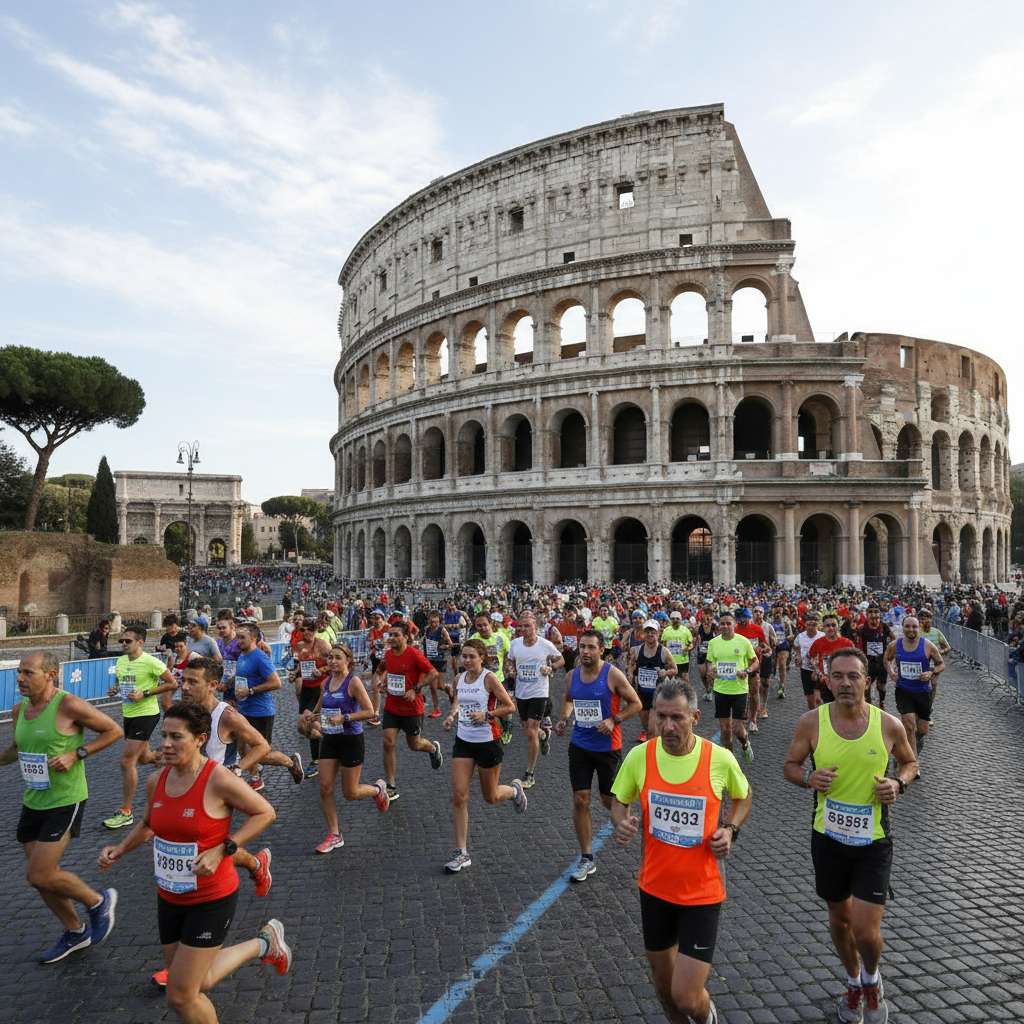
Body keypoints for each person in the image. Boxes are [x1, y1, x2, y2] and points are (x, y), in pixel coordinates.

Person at [98, 702, 292, 1022]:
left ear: (200, 739)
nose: (166, 744)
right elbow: (148, 824)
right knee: (195, 981)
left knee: (181, 995)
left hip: (211, 897)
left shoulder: (218, 780)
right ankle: (264, 943)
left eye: (177, 737)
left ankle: (264, 944)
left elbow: (265, 812)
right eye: (163, 736)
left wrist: (223, 849)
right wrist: (120, 848)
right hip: (170, 896)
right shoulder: (156, 780)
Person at [783, 647, 918, 1024]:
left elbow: (910, 763)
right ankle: (853, 981)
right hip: (827, 838)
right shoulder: (811, 722)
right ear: (827, 680)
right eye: (837, 676)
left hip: (873, 840)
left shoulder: (888, 724)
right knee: (840, 921)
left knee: (864, 927)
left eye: (853, 676)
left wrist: (898, 783)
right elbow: (789, 766)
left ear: (868, 681)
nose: (845, 683)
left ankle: (873, 980)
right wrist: (808, 778)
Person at [611, 679, 752, 1024]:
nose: (668, 726)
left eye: (677, 718)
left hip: (702, 895)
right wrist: (622, 821)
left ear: (696, 717)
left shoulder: (719, 758)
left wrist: (731, 829)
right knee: (664, 991)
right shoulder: (640, 756)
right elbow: (619, 799)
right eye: (661, 717)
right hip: (655, 889)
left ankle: (707, 1017)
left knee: (687, 997)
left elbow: (744, 795)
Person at [1, 651, 121, 963]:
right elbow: (16, 749)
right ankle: (75, 930)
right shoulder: (20, 710)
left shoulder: (68, 705)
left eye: (28, 672)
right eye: (19, 672)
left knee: (38, 874)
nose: (20, 678)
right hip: (33, 800)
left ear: (50, 674)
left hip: (65, 800)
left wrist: (76, 754)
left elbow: (113, 730)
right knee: (41, 876)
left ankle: (97, 901)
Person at [554, 630, 641, 882]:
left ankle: (630, 828)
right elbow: (569, 699)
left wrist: (615, 720)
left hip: (607, 749)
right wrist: (563, 719)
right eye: (582, 647)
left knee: (608, 801)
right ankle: (586, 857)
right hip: (579, 746)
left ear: (601, 650)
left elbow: (636, 704)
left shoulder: (612, 674)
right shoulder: (572, 675)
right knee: (580, 800)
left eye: (591, 647)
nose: (585, 652)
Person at [441, 638, 527, 873]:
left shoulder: (488, 678)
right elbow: (459, 700)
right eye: (464, 656)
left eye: (471, 656)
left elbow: (510, 706)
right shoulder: (459, 678)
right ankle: (461, 852)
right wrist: (451, 715)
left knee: (490, 796)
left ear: (482, 658)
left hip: (488, 742)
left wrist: (488, 715)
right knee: (459, 796)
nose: (467, 660)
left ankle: (514, 790)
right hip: (463, 742)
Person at [298, 643, 390, 853]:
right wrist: (312, 714)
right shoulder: (327, 681)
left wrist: (345, 717)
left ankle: (378, 789)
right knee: (325, 787)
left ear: (348, 660)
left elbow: (370, 712)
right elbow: (323, 703)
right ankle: (334, 834)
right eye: (330, 658)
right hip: (330, 739)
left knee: (350, 792)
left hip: (351, 739)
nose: (332, 661)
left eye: (337, 658)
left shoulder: (353, 682)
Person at [103, 624, 179, 829]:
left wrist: (145, 693)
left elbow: (172, 684)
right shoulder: (120, 661)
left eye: (128, 641)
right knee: (145, 758)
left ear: (140, 642)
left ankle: (126, 811)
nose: (123, 644)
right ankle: (163, 759)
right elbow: (123, 681)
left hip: (146, 714)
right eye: (121, 641)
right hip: (128, 714)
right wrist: (115, 689)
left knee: (127, 761)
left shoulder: (151, 662)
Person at [372, 620, 444, 802]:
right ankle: (391, 785)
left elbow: (433, 673)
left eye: (397, 635)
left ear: (405, 637)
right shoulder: (388, 655)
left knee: (415, 745)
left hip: (412, 709)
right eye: (391, 635)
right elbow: (381, 669)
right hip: (392, 707)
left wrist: (416, 689)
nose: (392, 638)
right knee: (388, 743)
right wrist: (380, 681)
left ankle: (433, 748)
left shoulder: (414, 654)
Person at [225, 623, 302, 791]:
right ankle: (255, 778)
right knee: (242, 748)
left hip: (260, 712)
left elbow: (276, 682)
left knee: (261, 753)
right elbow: (242, 675)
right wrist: (228, 684)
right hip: (244, 709)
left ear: (253, 638)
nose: (238, 641)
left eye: (242, 637)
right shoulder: (243, 655)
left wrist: (251, 691)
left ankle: (290, 762)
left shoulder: (260, 657)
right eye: (237, 637)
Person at [506, 611, 563, 788]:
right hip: (521, 692)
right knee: (527, 730)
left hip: (539, 692)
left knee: (531, 731)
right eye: (521, 626)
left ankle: (529, 774)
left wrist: (551, 667)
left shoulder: (545, 645)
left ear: (535, 627)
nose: (523, 629)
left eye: (527, 626)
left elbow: (560, 660)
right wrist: (511, 670)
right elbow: (509, 661)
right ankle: (544, 735)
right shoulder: (515, 644)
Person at [883, 616, 944, 761]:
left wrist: (931, 672)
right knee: (909, 726)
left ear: (919, 628)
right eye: (908, 626)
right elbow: (887, 659)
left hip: (923, 692)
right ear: (903, 628)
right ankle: (912, 762)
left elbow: (941, 664)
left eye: (914, 627)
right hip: (903, 690)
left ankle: (908, 749)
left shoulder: (928, 645)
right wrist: (891, 673)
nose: (911, 630)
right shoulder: (895, 645)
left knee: (922, 731)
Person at [705, 611, 757, 764]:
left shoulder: (744, 642)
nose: (725, 626)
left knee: (737, 729)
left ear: (734, 624)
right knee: (725, 730)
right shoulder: (713, 643)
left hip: (739, 691)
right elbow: (709, 661)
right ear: (718, 626)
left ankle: (745, 743)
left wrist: (747, 671)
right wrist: (709, 671)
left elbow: (755, 661)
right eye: (722, 623)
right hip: (720, 690)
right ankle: (730, 763)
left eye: (728, 623)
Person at [289, 623, 331, 779]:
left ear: (315, 630)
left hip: (320, 688)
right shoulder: (299, 645)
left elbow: (335, 663)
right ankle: (331, 743)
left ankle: (316, 761)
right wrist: (294, 674)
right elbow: (300, 665)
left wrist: (321, 670)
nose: (306, 632)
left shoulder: (323, 644)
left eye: (310, 629)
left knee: (309, 721)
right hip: (307, 689)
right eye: (302, 629)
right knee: (303, 727)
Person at [628, 620, 677, 742]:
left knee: (651, 730)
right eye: (647, 631)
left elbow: (674, 669)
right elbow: (631, 664)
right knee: (646, 726)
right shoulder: (637, 650)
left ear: (658, 633)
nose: (650, 634)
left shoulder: (664, 651)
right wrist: (629, 674)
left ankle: (654, 753)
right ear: (643, 633)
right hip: (642, 693)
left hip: (658, 695)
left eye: (653, 632)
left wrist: (665, 672)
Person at [808, 613, 857, 706]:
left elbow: (855, 661)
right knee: (826, 706)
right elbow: (812, 658)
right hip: (825, 680)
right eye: (827, 626)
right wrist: (817, 671)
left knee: (842, 705)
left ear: (838, 626)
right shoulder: (818, 643)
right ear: (823, 627)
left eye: (833, 625)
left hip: (843, 681)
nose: (831, 628)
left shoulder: (847, 643)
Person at [856, 605, 893, 707]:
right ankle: (869, 707)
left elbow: (893, 639)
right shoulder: (862, 628)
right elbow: (857, 642)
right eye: (871, 612)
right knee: (866, 686)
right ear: (867, 615)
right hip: (868, 662)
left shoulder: (884, 626)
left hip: (882, 662)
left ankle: (881, 702)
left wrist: (890, 653)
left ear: (879, 614)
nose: (873, 614)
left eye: (876, 612)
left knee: (881, 687)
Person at [421, 610, 454, 717]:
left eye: (436, 622)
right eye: (432, 622)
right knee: (432, 687)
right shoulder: (427, 630)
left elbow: (450, 644)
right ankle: (436, 709)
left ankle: (448, 689)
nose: (434, 624)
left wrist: (442, 647)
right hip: (430, 660)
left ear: (439, 621)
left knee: (440, 686)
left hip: (440, 660)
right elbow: (425, 642)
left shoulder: (442, 630)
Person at [795, 611, 826, 710]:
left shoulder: (823, 636)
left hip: (820, 671)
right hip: (805, 669)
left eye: (814, 625)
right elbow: (796, 646)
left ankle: (823, 718)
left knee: (819, 699)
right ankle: (814, 718)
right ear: (805, 624)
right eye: (809, 625)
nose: (811, 627)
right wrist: (798, 656)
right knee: (810, 699)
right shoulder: (800, 636)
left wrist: (817, 669)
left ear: (818, 625)